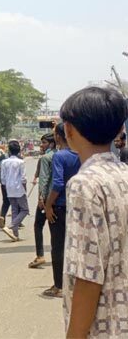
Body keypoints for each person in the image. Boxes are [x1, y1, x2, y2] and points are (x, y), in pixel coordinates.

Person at [59, 87, 128, 337]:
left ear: (68, 130)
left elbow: (88, 275)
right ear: (120, 129)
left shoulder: (84, 184)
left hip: (106, 327)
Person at [41, 123, 81, 298]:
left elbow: (57, 183)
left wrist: (48, 205)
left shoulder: (59, 156)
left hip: (60, 206)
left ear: (58, 136)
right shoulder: (80, 155)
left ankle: (59, 286)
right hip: (76, 205)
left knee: (57, 246)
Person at [29, 133, 56, 269]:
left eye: (44, 142)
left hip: (48, 199)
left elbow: (44, 179)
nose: (41, 145)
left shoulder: (46, 158)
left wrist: (41, 198)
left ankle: (40, 255)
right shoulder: (67, 155)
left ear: (51, 143)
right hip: (61, 198)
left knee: (38, 225)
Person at [0, 141, 28, 242]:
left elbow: (2, 178)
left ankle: (15, 235)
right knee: (25, 210)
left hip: (9, 188)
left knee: (14, 210)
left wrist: (6, 186)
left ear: (9, 150)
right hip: (19, 188)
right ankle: (11, 226)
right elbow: (23, 178)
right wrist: (25, 188)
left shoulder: (4, 162)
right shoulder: (21, 162)